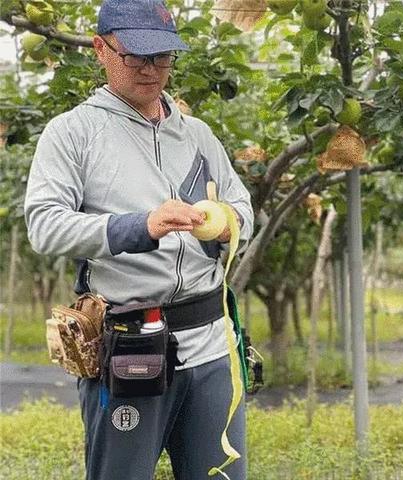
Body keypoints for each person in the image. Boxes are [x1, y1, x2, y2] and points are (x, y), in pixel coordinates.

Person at [23, 0, 254, 478]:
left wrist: (228, 224)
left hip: (211, 345)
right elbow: (44, 225)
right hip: (131, 347)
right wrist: (140, 226)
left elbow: (244, 207)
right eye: (136, 57)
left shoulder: (199, 136)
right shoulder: (71, 134)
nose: (151, 70)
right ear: (100, 50)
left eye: (163, 57)